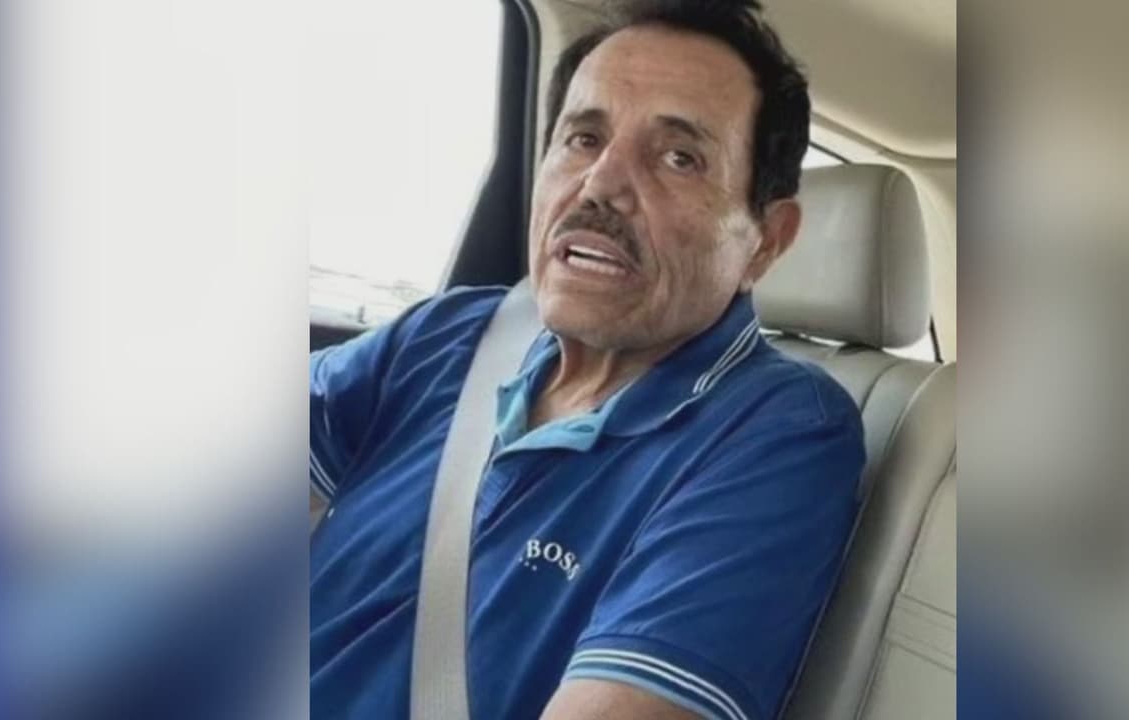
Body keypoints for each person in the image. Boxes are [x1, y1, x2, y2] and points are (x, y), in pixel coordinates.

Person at [309, 2, 865, 718]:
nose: (601, 184)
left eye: (679, 157)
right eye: (583, 138)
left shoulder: (778, 434)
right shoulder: (446, 336)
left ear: (766, 240)